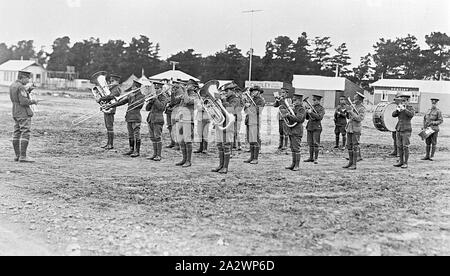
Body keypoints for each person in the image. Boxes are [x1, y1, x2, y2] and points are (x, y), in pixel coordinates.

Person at [107, 79, 145, 158]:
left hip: (136, 118)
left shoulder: (141, 96)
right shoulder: (131, 95)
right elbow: (122, 102)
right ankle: (131, 149)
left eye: (133, 87)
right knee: (130, 135)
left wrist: (133, 96)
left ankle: (137, 151)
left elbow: (139, 105)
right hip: (129, 117)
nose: (132, 89)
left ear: (137, 88)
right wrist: (111, 105)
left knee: (136, 135)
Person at [212, 82, 241, 174]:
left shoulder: (236, 99)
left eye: (227, 91)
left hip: (229, 123)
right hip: (221, 122)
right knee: (220, 145)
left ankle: (225, 167)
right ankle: (220, 165)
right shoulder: (225, 99)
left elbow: (230, 109)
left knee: (226, 145)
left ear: (233, 91)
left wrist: (223, 101)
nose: (225, 93)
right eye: (225, 91)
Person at [10, 71, 38, 163]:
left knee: (17, 133)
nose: (28, 80)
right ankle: (23, 156)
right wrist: (33, 101)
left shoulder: (13, 85)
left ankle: (17, 156)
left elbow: (19, 97)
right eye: (27, 78)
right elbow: (23, 101)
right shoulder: (21, 87)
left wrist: (29, 90)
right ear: (22, 77)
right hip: (23, 113)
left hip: (15, 111)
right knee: (25, 132)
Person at [175, 79, 198, 167]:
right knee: (181, 141)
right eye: (187, 84)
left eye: (189, 85)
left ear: (193, 87)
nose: (187, 86)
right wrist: (174, 92)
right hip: (180, 119)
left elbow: (188, 101)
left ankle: (188, 161)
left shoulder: (195, 96)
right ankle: (184, 159)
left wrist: (184, 91)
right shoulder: (184, 94)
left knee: (188, 141)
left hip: (188, 120)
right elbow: (174, 101)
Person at [281, 91, 306, 171]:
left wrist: (289, 115)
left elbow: (299, 119)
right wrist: (286, 115)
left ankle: (297, 165)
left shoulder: (301, 109)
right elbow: (291, 118)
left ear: (300, 101)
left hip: (297, 130)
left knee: (296, 148)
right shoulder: (294, 108)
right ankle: (293, 163)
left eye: (295, 100)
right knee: (292, 148)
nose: (293, 102)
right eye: (293, 100)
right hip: (292, 130)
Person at [145, 83, 170, 161]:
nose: (156, 90)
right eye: (155, 88)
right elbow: (147, 109)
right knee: (152, 137)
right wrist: (150, 101)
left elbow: (161, 107)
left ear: (161, 89)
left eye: (158, 88)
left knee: (157, 137)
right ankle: (154, 154)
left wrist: (155, 99)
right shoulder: (154, 97)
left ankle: (158, 155)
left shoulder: (163, 97)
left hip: (158, 119)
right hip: (151, 119)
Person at [98, 73, 122, 150]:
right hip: (107, 108)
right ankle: (108, 143)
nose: (110, 83)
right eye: (110, 81)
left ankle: (110, 144)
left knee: (110, 127)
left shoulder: (117, 88)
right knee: (107, 127)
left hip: (111, 109)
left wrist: (102, 98)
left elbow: (111, 96)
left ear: (117, 82)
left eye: (112, 81)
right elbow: (107, 96)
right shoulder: (112, 88)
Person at [343, 92, 366, 170]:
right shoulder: (354, 106)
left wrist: (351, 112)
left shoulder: (362, 108)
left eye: (355, 99)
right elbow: (349, 117)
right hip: (350, 128)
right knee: (349, 145)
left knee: (355, 146)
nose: (353, 100)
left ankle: (354, 164)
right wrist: (347, 111)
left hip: (356, 128)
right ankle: (350, 162)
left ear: (359, 100)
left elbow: (359, 119)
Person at [392, 93, 415, 168]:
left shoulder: (410, 108)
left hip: (406, 129)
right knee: (399, 146)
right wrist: (398, 110)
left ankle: (406, 162)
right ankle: (401, 161)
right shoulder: (400, 107)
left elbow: (411, 115)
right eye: (402, 100)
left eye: (404, 100)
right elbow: (393, 115)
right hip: (399, 128)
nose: (403, 102)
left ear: (408, 101)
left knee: (405, 146)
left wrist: (404, 109)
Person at [244, 86, 265, 164]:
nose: (253, 92)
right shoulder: (250, 99)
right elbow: (245, 111)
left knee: (255, 140)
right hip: (249, 120)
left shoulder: (261, 100)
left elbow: (258, 111)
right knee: (250, 140)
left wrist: (249, 106)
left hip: (255, 121)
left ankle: (255, 158)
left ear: (259, 92)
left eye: (255, 91)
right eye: (252, 91)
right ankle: (251, 157)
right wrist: (246, 106)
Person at [303, 95, 325, 164]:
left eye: (315, 100)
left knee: (316, 143)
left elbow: (319, 117)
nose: (313, 101)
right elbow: (307, 118)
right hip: (310, 126)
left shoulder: (321, 109)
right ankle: (311, 157)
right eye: (313, 100)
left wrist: (311, 112)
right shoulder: (311, 107)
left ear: (319, 101)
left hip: (317, 127)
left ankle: (316, 158)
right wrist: (306, 112)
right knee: (310, 143)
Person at [194, 87, 211, 154]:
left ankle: (205, 148)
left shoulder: (209, 100)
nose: (203, 95)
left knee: (205, 134)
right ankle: (200, 148)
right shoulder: (198, 100)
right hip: (199, 118)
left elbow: (209, 108)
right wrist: (202, 105)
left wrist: (204, 106)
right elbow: (198, 108)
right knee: (199, 133)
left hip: (206, 118)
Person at [273, 87, 290, 151]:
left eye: (283, 92)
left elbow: (290, 108)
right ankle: (281, 144)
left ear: (286, 94)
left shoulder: (289, 100)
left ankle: (285, 145)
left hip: (286, 117)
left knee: (286, 131)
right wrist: (277, 100)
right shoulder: (280, 99)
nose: (281, 94)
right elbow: (275, 105)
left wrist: (282, 100)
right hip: (280, 117)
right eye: (281, 92)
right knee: (281, 131)